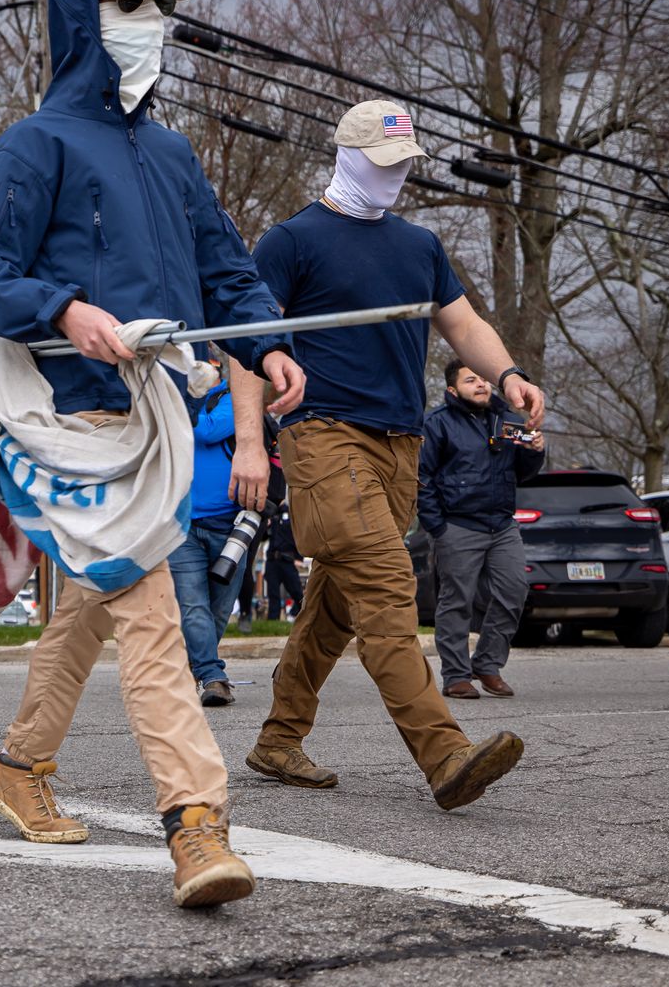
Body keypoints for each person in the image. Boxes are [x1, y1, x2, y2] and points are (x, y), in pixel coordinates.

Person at [0, 0, 308, 908]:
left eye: (161, 6)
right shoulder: (34, 144)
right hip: (68, 418)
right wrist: (63, 310)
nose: (154, 24)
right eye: (132, 5)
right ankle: (196, 820)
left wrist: (266, 346)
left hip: (160, 422)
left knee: (95, 603)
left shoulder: (175, 155)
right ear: (83, 21)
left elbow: (229, 274)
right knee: (149, 614)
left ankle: (19, 766)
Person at [247, 100, 546, 811]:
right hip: (322, 436)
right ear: (346, 155)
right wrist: (251, 444)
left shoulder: (418, 246)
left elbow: (463, 321)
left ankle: (278, 739)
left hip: (399, 445)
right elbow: (246, 343)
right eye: (382, 164)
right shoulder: (291, 240)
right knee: (386, 590)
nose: (395, 177)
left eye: (404, 164)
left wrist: (506, 377)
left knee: (335, 607)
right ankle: (445, 756)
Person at [419, 359, 546, 699]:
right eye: (470, 380)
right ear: (452, 389)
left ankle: (488, 664)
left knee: (513, 591)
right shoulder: (437, 424)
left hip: (502, 525)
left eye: (483, 379)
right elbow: (421, 478)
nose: (480, 385)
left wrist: (535, 452)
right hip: (457, 526)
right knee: (457, 602)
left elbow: (523, 472)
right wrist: (438, 527)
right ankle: (457, 675)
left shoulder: (507, 421)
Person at [167, 369, 263, 707]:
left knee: (219, 610)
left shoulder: (235, 398)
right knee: (193, 606)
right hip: (181, 524)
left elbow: (208, 431)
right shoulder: (170, 397)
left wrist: (174, 408)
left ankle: (190, 669)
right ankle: (212, 676)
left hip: (229, 526)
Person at [264, 509, 303, 622]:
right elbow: (263, 537)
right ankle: (273, 621)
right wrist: (265, 526)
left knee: (297, 592)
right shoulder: (270, 514)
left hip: (288, 561)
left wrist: (299, 557)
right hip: (272, 561)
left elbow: (299, 536)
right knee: (273, 594)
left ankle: (306, 617)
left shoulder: (291, 512)